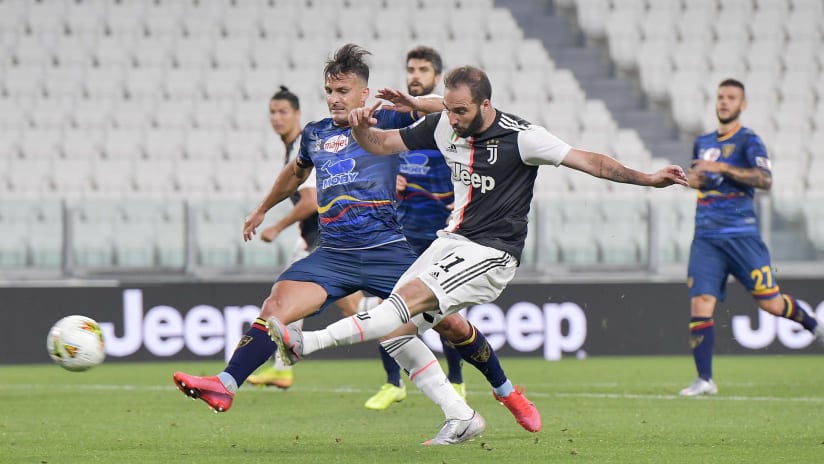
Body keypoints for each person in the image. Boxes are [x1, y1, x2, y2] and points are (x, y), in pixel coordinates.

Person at [266, 65, 688, 413]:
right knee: (397, 333)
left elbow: (589, 160)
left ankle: (305, 342)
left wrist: (647, 178)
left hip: (494, 251)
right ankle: (472, 411)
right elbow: (380, 145)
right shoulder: (442, 126)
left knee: (397, 306)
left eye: (461, 112)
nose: (452, 120)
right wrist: (359, 129)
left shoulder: (523, 137)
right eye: (447, 110)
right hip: (451, 241)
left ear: (486, 105)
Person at [172, 45, 523, 446]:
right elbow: (294, 172)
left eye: (343, 90)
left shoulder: (385, 117)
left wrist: (412, 101)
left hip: (387, 250)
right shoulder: (316, 133)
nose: (335, 98)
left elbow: (449, 107)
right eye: (329, 90)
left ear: (363, 93)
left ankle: (506, 389)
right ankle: (226, 383)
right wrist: (262, 209)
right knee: (276, 308)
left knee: (451, 324)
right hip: (334, 255)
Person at [679, 78, 824, 396]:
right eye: (720, 97)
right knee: (701, 303)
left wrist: (722, 167)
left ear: (742, 104)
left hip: (741, 234)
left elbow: (764, 179)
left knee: (771, 303)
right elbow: (700, 180)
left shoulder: (749, 141)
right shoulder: (702, 141)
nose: (724, 102)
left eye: (731, 97)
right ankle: (705, 380)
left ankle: (812, 323)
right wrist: (691, 179)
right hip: (705, 236)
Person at [361, 45, 468, 410]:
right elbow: (373, 155)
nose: (415, 75)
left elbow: (467, 155)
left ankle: (457, 382)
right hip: (402, 227)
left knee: (444, 311)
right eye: (411, 68)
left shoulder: (446, 115)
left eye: (423, 69)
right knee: (385, 304)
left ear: (436, 76)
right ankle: (393, 383)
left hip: (441, 230)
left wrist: (462, 190)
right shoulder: (394, 116)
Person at [244, 86, 364, 389]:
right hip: (318, 236)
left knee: (291, 297)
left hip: (326, 235)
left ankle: (409, 319)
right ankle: (282, 367)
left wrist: (276, 225)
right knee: (335, 305)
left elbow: (310, 201)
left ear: (297, 114)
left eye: (283, 111)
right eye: (272, 112)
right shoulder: (294, 147)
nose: (276, 118)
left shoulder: (304, 143)